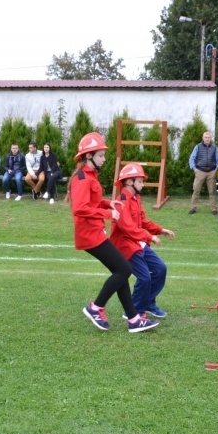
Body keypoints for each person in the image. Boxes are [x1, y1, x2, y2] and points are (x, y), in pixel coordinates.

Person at [70, 132, 159, 333]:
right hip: (89, 234)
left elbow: (91, 202)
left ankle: (134, 319)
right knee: (124, 270)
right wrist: (108, 213)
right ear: (88, 156)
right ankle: (96, 307)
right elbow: (80, 208)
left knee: (120, 271)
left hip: (95, 231)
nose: (104, 159)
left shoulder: (90, 175)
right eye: (101, 155)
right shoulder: (83, 178)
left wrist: (108, 202)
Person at [110, 163, 175, 319]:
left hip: (138, 243)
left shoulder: (135, 198)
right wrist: (149, 237)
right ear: (129, 182)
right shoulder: (122, 201)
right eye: (140, 181)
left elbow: (142, 221)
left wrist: (160, 230)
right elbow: (127, 227)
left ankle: (148, 304)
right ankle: (134, 311)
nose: (143, 184)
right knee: (144, 277)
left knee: (160, 269)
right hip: (126, 245)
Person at [188, 131, 218, 215]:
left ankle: (214, 209)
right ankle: (193, 208)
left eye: (209, 137)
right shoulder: (197, 147)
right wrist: (194, 169)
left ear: (211, 138)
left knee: (212, 191)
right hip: (200, 171)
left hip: (211, 172)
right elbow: (191, 158)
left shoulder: (215, 148)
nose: (207, 139)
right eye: (205, 137)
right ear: (203, 138)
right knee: (196, 191)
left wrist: (216, 169)